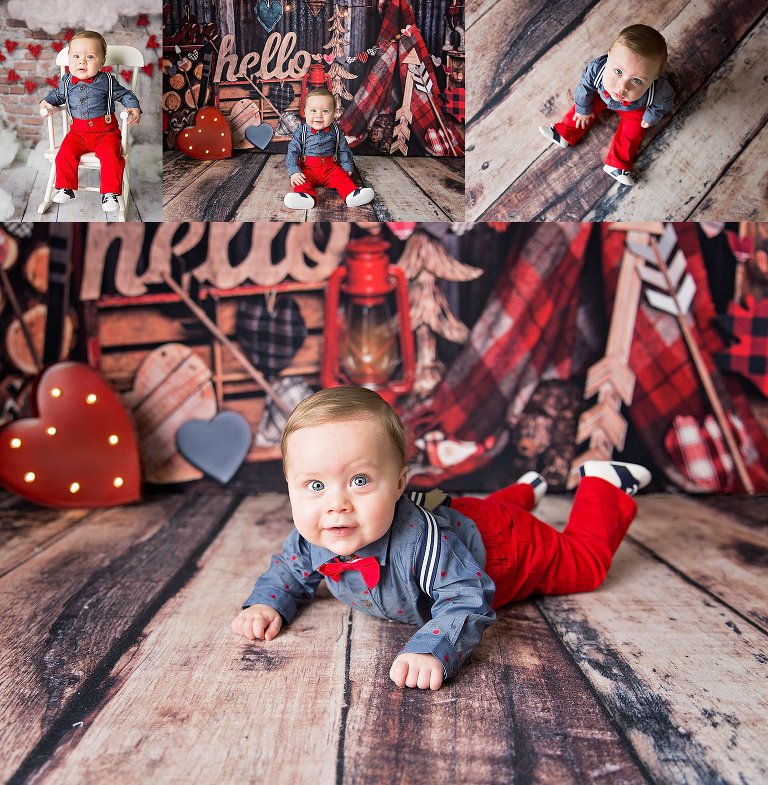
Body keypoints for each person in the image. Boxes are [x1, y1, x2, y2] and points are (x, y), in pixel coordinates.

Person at [231, 386, 651, 691]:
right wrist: (269, 601)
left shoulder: (421, 542)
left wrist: (433, 647)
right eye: (314, 486)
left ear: (398, 483)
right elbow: (289, 569)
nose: (335, 505)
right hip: (459, 514)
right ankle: (526, 490)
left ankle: (605, 484)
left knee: (584, 565)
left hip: (503, 548)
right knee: (465, 508)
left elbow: (466, 596)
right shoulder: (316, 534)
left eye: (359, 481)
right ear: (288, 486)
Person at [538, 24, 674, 186]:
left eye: (637, 81)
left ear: (655, 78)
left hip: (634, 107)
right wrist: (583, 109)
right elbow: (585, 87)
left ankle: (617, 164)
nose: (623, 87)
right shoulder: (597, 69)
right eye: (618, 72)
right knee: (582, 108)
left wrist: (652, 115)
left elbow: (665, 101)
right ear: (609, 57)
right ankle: (564, 132)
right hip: (603, 95)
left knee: (633, 132)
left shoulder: (658, 90)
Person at [39, 30, 141, 213]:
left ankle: (110, 193)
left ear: (102, 62)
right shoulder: (67, 82)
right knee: (65, 153)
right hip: (77, 133)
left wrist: (133, 107)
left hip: (106, 133)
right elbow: (57, 96)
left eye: (90, 56)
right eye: (76, 56)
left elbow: (125, 94)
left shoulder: (107, 81)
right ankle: (66, 188)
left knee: (111, 156)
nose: (82, 61)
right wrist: (46, 103)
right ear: (69, 59)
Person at [283, 88, 374, 210]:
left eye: (325, 111)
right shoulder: (301, 131)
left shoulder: (336, 131)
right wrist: (294, 171)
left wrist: (347, 167)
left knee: (342, 178)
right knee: (300, 180)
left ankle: (352, 194)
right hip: (308, 168)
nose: (318, 116)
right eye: (313, 111)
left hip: (331, 168)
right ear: (304, 112)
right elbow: (293, 151)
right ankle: (304, 196)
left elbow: (343, 150)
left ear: (334, 113)